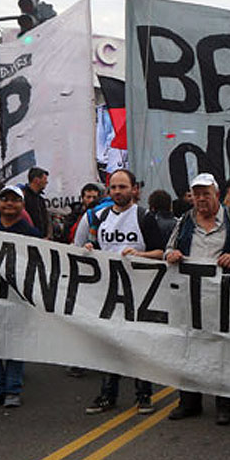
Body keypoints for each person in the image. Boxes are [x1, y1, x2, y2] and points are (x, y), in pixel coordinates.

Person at [163, 173, 230, 424]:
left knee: (222, 351)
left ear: (216, 195)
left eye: (206, 193)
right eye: (196, 194)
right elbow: (168, 250)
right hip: (190, 299)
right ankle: (189, 402)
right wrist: (172, 255)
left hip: (223, 299)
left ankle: (225, 405)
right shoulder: (184, 221)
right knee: (188, 350)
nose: (201, 199)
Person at [80, 169, 166, 415]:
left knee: (138, 344)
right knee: (109, 345)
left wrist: (140, 255)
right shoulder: (100, 216)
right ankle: (107, 395)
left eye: (122, 187)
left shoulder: (144, 217)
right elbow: (95, 244)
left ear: (133, 189)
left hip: (138, 292)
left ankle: (144, 395)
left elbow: (160, 251)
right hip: (107, 291)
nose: (118, 192)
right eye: (114, 187)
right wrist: (89, 246)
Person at [0, 186, 41, 408]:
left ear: (22, 205)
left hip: (18, 297)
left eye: (15, 200)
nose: (9, 204)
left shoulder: (31, 233)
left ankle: (12, 390)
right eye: (5, 200)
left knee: (14, 344)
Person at [22, 167, 51, 238]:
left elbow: (46, 220)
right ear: (36, 180)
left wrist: (47, 236)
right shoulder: (22, 197)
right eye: (44, 179)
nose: (46, 182)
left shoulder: (41, 200)